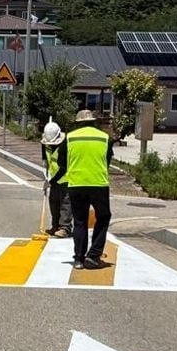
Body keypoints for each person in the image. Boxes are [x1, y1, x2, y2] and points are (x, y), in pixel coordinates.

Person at [50, 109, 114, 269]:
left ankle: (78, 259)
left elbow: (62, 163)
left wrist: (58, 178)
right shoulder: (105, 138)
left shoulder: (70, 138)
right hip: (98, 184)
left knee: (80, 221)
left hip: (76, 184)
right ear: (93, 122)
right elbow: (107, 161)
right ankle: (93, 256)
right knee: (103, 217)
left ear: (77, 123)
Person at [40, 119, 73, 238]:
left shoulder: (65, 145)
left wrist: (51, 181)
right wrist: (46, 177)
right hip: (53, 178)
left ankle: (65, 228)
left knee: (65, 204)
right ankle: (55, 226)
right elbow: (45, 159)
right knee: (54, 203)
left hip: (66, 179)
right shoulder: (45, 143)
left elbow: (64, 167)